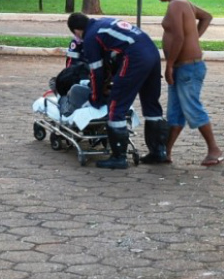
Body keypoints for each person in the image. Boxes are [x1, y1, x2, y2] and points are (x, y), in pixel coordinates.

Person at [67, 13, 169, 169]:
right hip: (152, 52)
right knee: (151, 103)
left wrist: (95, 98)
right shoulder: (103, 24)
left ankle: (119, 157)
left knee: (116, 105)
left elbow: (96, 72)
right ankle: (158, 151)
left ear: (77, 31)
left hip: (134, 56)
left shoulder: (90, 37)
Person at [153, 0, 224, 166]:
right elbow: (206, 17)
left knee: (192, 108)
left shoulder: (177, 5)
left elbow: (178, 37)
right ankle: (166, 152)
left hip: (187, 68)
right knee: (175, 112)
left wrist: (169, 65)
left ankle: (214, 150)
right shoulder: (183, 2)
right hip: (184, 67)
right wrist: (194, 39)